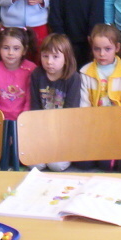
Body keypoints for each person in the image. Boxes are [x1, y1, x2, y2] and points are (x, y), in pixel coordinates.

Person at [30, 33, 81, 172]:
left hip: (63, 131)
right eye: (45, 56)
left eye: (55, 57)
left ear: (66, 58)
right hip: (42, 130)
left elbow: (70, 111)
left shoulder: (73, 78)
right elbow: (35, 107)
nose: (49, 61)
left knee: (56, 165)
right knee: (36, 165)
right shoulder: (37, 74)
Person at [0, 26, 37, 121]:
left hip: (24, 119)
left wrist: (23, 120)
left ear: (24, 50)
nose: (10, 53)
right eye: (6, 48)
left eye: (16, 48)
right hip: (0, 119)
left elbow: (29, 100)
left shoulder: (31, 69)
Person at [79, 23, 121, 108]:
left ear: (117, 48)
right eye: (97, 49)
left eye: (107, 49)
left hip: (118, 116)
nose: (102, 54)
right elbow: (84, 104)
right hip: (93, 116)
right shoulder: (85, 73)